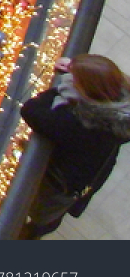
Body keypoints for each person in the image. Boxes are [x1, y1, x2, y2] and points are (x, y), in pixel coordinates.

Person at [20, 54, 130, 238]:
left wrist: (60, 89)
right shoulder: (119, 104)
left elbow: (31, 110)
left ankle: (28, 235)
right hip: (91, 175)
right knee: (51, 217)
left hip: (61, 185)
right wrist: (75, 68)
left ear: (85, 90)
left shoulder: (79, 124)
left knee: (41, 218)